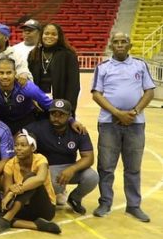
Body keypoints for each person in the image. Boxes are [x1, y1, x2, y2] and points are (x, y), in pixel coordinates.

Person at [91, 32, 155, 222]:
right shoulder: (103, 67)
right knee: (106, 166)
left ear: (130, 45)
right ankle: (105, 203)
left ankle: (134, 206)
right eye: (116, 42)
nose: (119, 45)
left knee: (133, 167)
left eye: (123, 42)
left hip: (136, 123)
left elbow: (149, 91)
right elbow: (96, 94)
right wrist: (118, 113)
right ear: (111, 46)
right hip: (109, 122)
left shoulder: (140, 65)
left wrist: (134, 112)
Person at [23, 99, 98, 214]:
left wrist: (72, 169)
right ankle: (47, 201)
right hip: (48, 167)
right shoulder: (39, 127)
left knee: (92, 177)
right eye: (53, 114)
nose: (56, 118)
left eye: (61, 115)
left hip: (70, 166)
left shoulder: (78, 130)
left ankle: (75, 199)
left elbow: (89, 158)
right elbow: (21, 135)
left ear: (69, 116)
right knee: (54, 184)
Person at [0, 130, 61, 235]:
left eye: (23, 145)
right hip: (21, 207)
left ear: (32, 148)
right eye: (16, 145)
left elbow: (40, 178)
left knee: (31, 177)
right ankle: (36, 226)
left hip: (44, 208)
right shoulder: (10, 164)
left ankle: (6, 220)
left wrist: (15, 191)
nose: (18, 148)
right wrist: (10, 191)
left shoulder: (40, 159)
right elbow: (7, 192)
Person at [28, 22, 80, 111]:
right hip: (37, 102)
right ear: (41, 35)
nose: (49, 36)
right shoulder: (34, 54)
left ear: (59, 37)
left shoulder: (68, 55)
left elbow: (73, 85)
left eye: (54, 34)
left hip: (60, 102)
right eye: (46, 33)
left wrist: (68, 109)